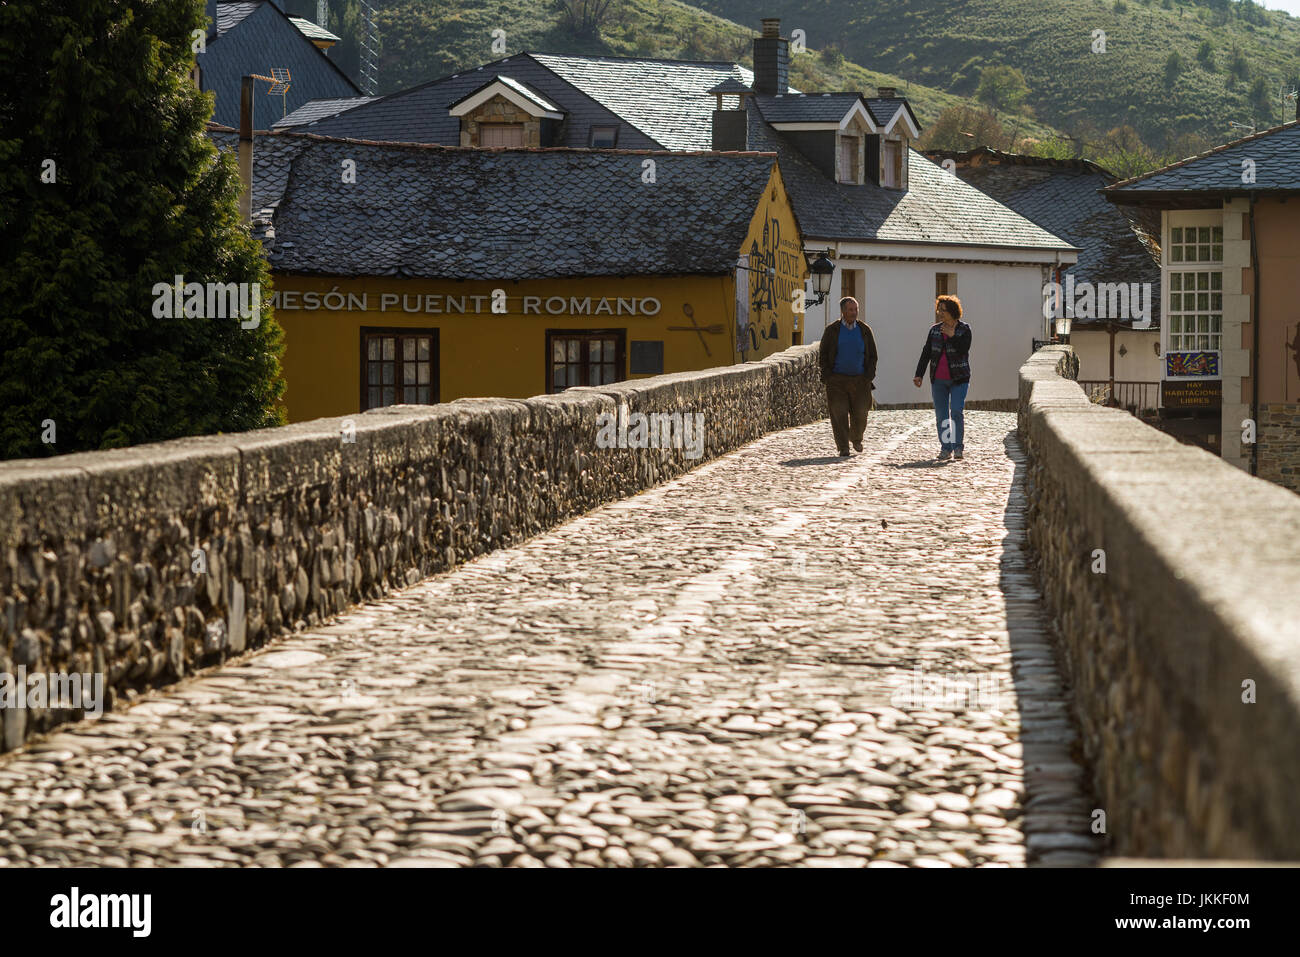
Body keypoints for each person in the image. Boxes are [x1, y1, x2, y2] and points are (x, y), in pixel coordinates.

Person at [913, 295, 972, 462]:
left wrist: (952, 335)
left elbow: (963, 350)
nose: (940, 313)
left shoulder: (964, 330)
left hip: (959, 379)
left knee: (956, 412)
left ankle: (958, 446)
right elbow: (926, 353)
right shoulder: (934, 330)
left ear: (953, 312)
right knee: (942, 415)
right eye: (939, 310)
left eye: (943, 310)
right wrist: (919, 374)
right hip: (938, 379)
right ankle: (946, 448)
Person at [818, 296, 878, 457]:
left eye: (856, 309)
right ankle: (843, 446)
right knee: (839, 413)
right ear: (843, 311)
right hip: (837, 380)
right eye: (851, 310)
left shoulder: (865, 330)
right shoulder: (832, 330)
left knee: (861, 412)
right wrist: (828, 375)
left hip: (860, 380)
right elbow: (823, 354)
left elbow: (872, 355)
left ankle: (856, 437)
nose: (854, 313)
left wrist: (868, 376)